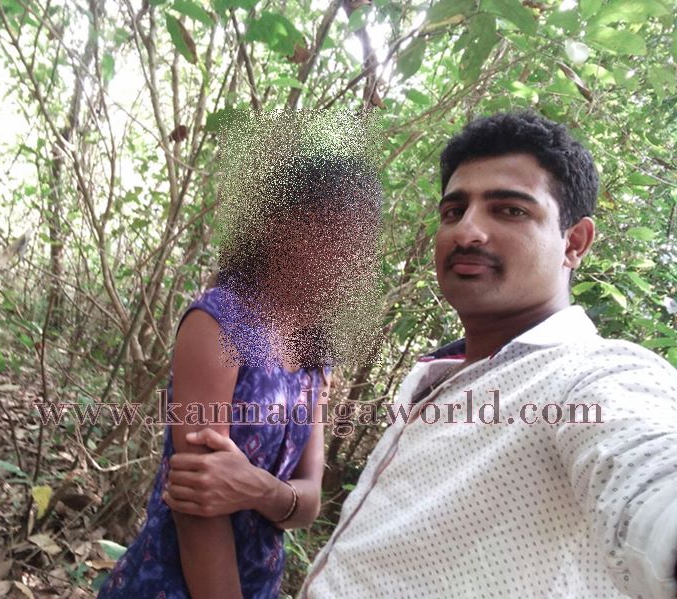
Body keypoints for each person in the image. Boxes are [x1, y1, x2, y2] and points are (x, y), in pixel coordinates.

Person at [180, 112, 677, 598]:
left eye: (510, 210)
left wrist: (260, 491)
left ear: (575, 242)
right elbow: (195, 498)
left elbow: (647, 472)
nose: (466, 231)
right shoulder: (430, 377)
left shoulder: (589, 377)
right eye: (453, 212)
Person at [96, 154, 382, 599]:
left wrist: (260, 489)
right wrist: (277, 496)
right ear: (275, 227)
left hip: (260, 583)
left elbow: (309, 500)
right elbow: (196, 506)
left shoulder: (315, 354)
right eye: (327, 230)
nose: (343, 256)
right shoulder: (220, 323)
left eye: (355, 241)